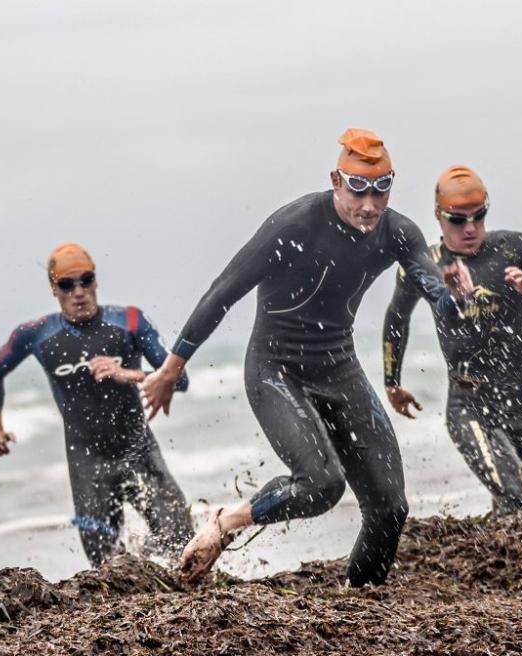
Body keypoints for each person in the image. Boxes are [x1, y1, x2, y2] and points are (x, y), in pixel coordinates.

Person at [141, 128, 473, 586]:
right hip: (275, 369)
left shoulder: (398, 232)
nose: (369, 206)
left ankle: (360, 602)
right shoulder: (295, 224)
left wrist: (456, 296)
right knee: (321, 485)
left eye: (381, 190)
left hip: (338, 368)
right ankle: (226, 522)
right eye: (358, 189)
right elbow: (223, 292)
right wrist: (171, 367)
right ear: (336, 181)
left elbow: (437, 292)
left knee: (390, 507)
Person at [382, 165, 522, 515]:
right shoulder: (423, 265)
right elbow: (396, 317)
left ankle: (494, 563)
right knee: (517, 496)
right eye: (457, 219)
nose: (470, 228)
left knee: (518, 511)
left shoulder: (515, 247)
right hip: (470, 405)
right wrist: (392, 382)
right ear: (438, 216)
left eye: (478, 217)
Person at [0, 242, 192, 566]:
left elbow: (180, 379)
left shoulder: (130, 322)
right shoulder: (37, 334)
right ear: (54, 288)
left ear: (96, 281)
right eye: (67, 284)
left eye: (86, 280)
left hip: (138, 451)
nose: (78, 291)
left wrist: (127, 374)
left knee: (182, 545)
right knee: (106, 570)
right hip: (88, 464)